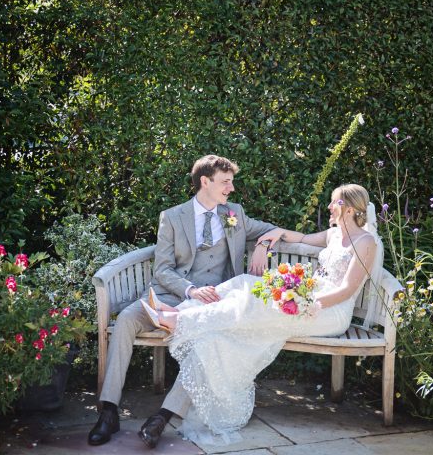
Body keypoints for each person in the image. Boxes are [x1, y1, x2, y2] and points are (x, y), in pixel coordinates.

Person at [141, 184, 382, 446]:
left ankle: (179, 319)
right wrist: (270, 237)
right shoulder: (334, 235)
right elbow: (300, 238)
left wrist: (305, 301)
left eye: (333, 203)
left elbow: (346, 290)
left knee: (251, 302)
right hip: (304, 302)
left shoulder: (366, 242)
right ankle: (181, 314)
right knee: (238, 294)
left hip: (328, 311)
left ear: (347, 209)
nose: (328, 207)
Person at [87, 155, 278, 447]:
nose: (231, 188)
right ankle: (109, 411)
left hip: (211, 305)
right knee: (126, 318)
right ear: (206, 181)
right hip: (170, 296)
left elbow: (270, 229)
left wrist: (263, 245)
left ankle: (162, 418)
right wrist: (189, 290)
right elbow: (162, 269)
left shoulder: (234, 214)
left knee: (207, 343)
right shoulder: (173, 217)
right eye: (226, 182)